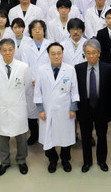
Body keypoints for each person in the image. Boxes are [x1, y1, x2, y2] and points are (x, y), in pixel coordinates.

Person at [34, 43, 79, 173]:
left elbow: (74, 90)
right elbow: (38, 91)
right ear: (48, 55)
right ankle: (52, 160)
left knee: (66, 137)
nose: (56, 56)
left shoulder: (70, 69)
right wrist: (40, 109)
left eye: (59, 53)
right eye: (53, 53)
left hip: (65, 109)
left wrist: (73, 108)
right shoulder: (42, 70)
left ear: (62, 54)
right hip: (47, 110)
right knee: (48, 137)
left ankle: (65, 160)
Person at [0, 38, 32, 176]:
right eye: (4, 50)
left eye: (10, 50)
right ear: (0, 51)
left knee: (21, 136)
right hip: (2, 106)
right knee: (2, 137)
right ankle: (4, 162)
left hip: (17, 106)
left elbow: (27, 86)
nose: (7, 53)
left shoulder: (23, 67)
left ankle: (21, 160)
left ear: (14, 50)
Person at [75, 39, 111, 172]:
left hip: (101, 107)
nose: (91, 55)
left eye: (94, 52)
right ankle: (87, 162)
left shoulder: (108, 68)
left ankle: (102, 161)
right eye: (88, 53)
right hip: (84, 107)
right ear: (85, 54)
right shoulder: (78, 69)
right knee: (85, 137)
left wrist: (110, 110)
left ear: (99, 53)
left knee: (102, 136)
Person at [19, 19, 52, 145]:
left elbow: (52, 64)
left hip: (47, 83)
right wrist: (33, 80)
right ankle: (34, 134)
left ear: (44, 30)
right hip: (30, 83)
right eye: (34, 29)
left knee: (46, 109)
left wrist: (41, 80)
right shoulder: (25, 46)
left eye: (40, 28)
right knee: (31, 111)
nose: (37, 31)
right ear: (31, 32)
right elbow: (24, 65)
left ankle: (47, 134)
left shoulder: (50, 45)